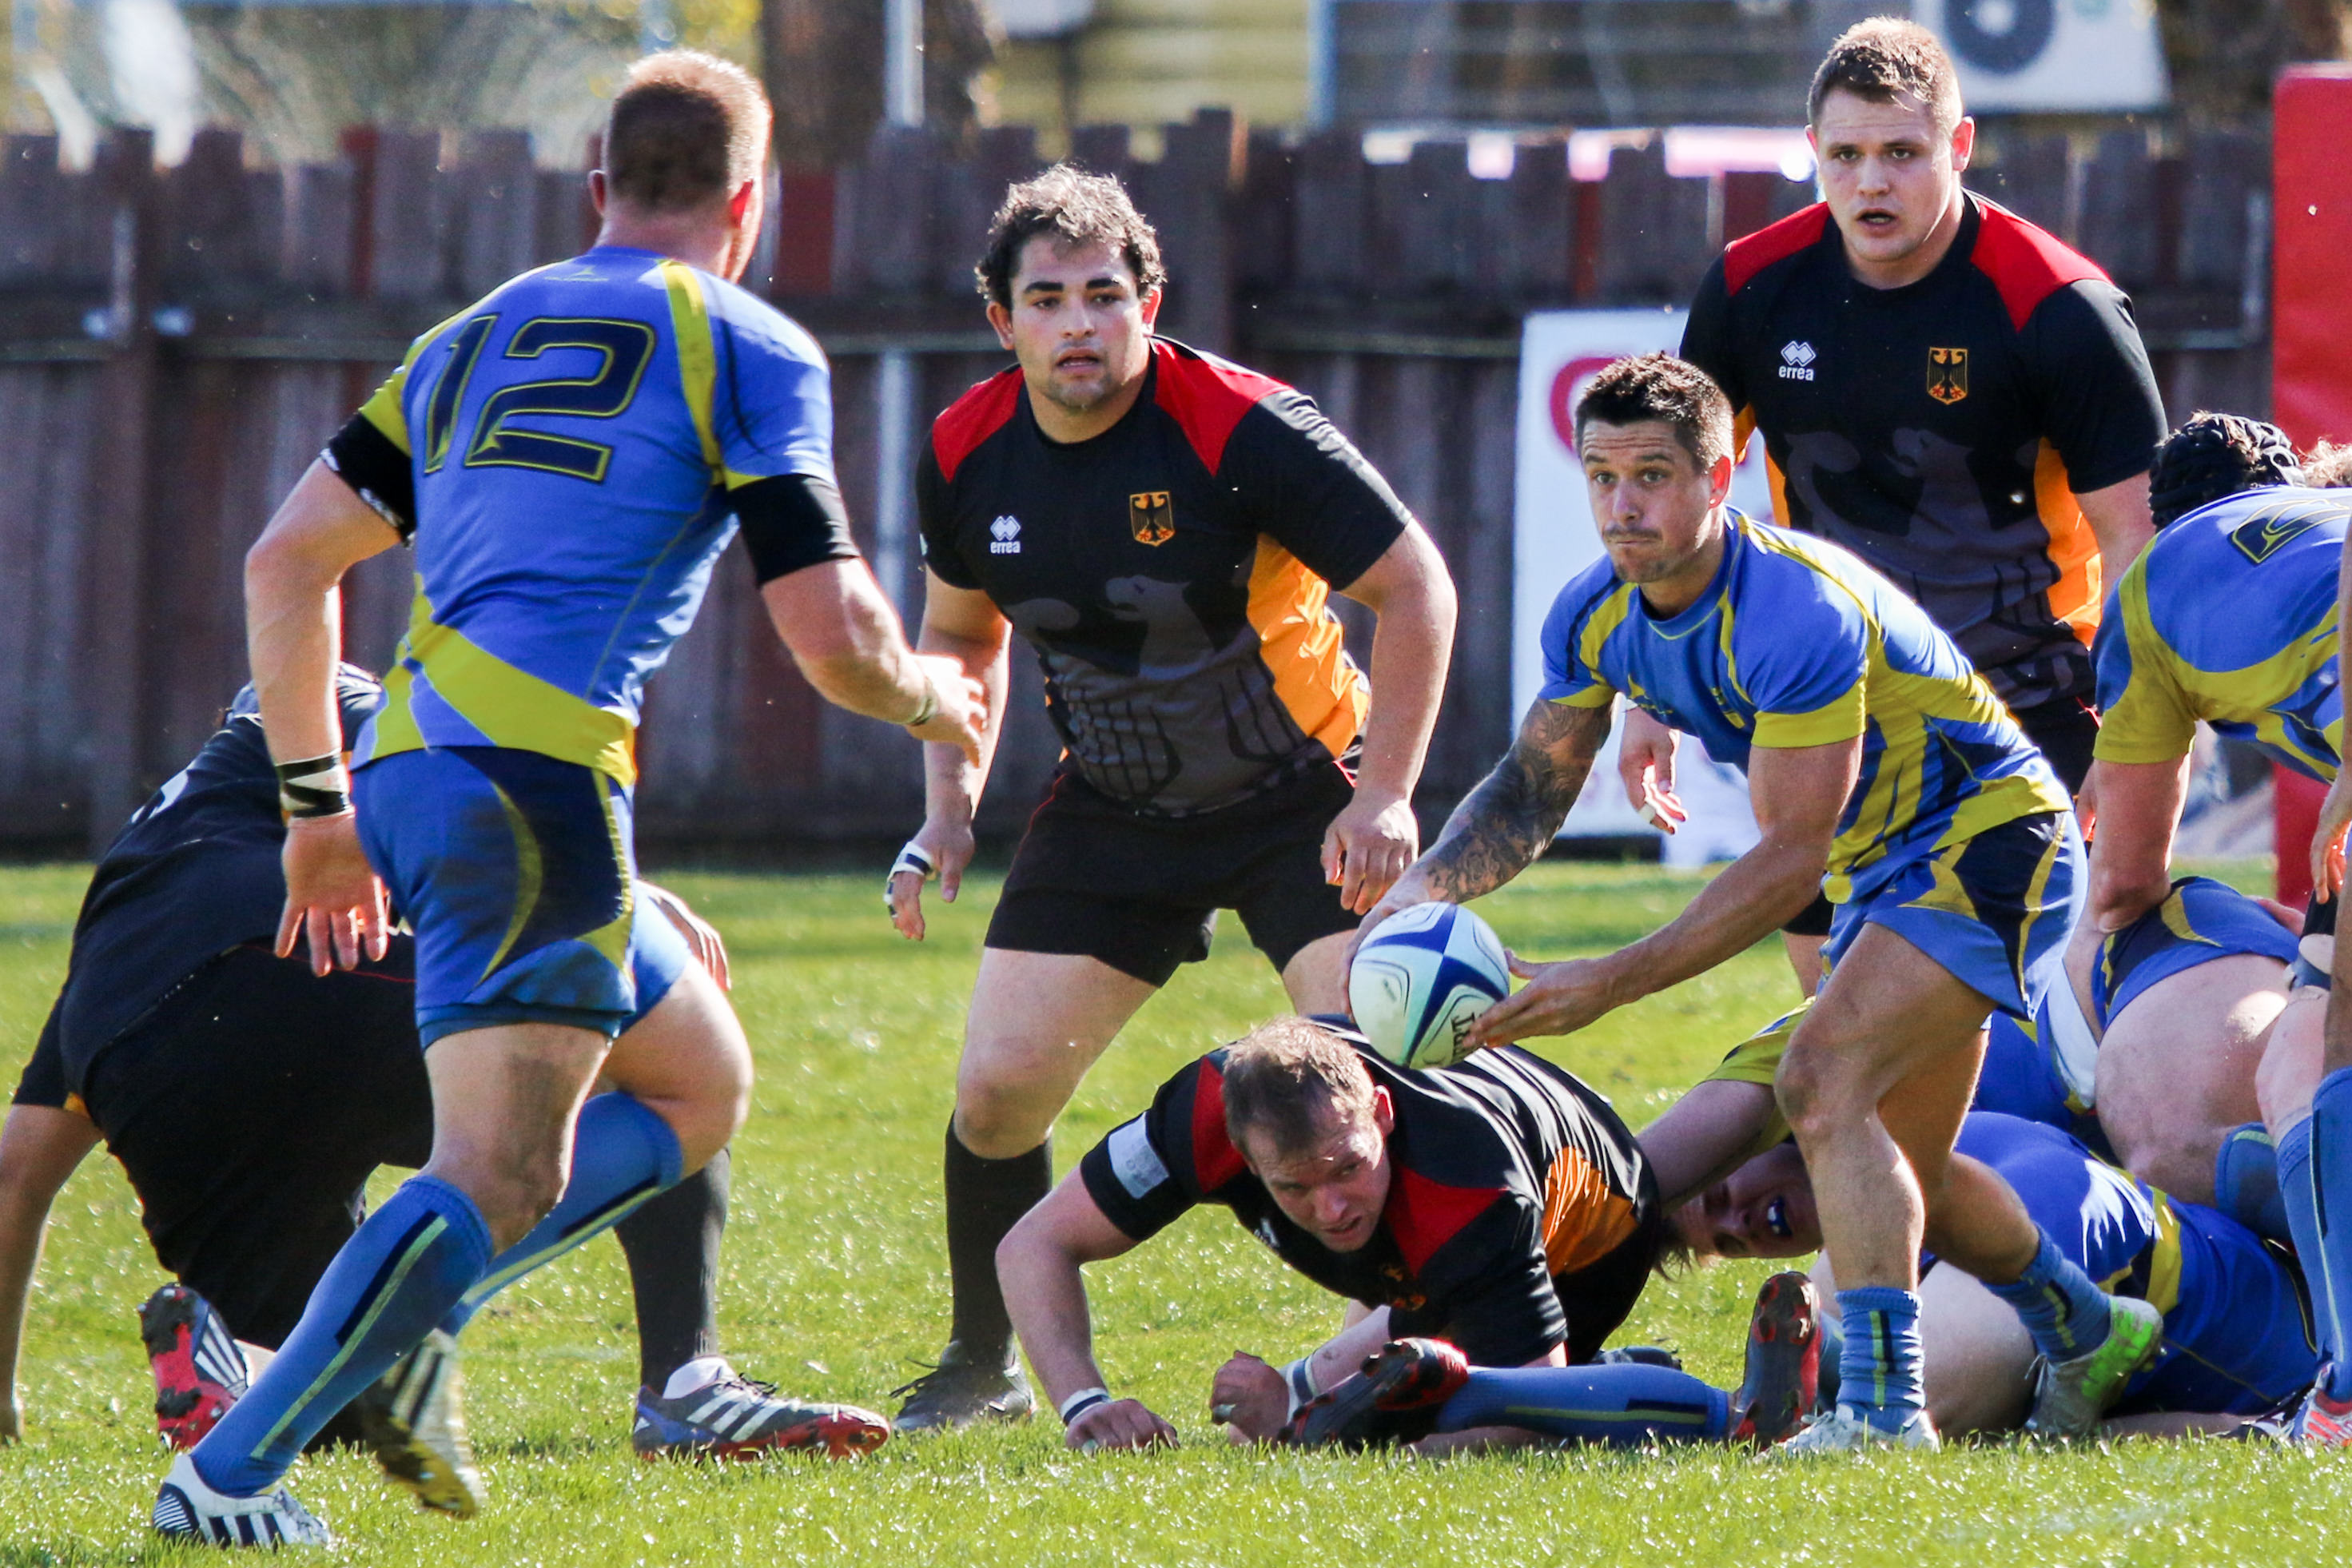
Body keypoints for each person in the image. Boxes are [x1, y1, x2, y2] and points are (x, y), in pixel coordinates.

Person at [154, 51, 985, 1547]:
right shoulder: (744, 338)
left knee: (697, 1077)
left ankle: (366, 1333)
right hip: (528, 789)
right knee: (500, 1170)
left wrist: (317, 813)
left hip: (408, 762)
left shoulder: (467, 334)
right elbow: (832, 637)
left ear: (598, 188)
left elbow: (285, 560)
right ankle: (234, 1465)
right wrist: (938, 696)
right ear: (750, 203)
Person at [1355, 352, 2141, 1454]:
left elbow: (1789, 859)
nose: (1621, 507)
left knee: (1820, 1080)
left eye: (1651, 477)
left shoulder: (1793, 613)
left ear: (1717, 476)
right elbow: (1532, 787)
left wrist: (1608, 981)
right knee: (1901, 1162)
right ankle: (2092, 1328)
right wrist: (1419, 892)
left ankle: (1882, 1413)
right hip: (1886, 868)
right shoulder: (1594, 612)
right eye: (1601, 477)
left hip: (1991, 841)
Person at [882, 166, 1457, 1430]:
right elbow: (960, 638)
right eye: (1047, 300)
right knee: (995, 1092)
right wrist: (948, 808)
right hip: (1116, 801)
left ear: (1148, 303)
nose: (1077, 324)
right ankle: (982, 1368)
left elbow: (1415, 585)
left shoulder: (1242, 424)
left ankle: (1433, 1341)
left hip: (1301, 793)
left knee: (1385, 1074)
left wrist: (1387, 794)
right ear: (1003, 322)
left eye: (1103, 294)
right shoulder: (964, 450)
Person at [0, 671, 868, 1472]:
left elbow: (15, 1177)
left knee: (326, 1408)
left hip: (139, 1059)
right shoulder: (316, 708)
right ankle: (687, 1385)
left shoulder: (143, 874)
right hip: (283, 971)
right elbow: (448, 776)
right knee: (647, 1045)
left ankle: (241, 1364)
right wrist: (625, 897)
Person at [1639, 17, 2164, 987]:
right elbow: (1674, 490)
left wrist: (2136, 736)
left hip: (2029, 709)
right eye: (1845, 156)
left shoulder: (2059, 306)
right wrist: (1654, 688)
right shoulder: (1753, 288)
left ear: (1959, 146)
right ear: (1813, 153)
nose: (1871, 183)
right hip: (1834, 709)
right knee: (1833, 1023)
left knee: (2041, 1025)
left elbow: (2138, 541)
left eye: (1902, 154)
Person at [993, 1015, 1665, 1454]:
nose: (1333, 1208)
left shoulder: (1469, 1192)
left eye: (1348, 1167)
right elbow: (1031, 1245)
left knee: (1469, 1419)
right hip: (1440, 1236)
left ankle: (1617, 1381)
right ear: (1241, 1154)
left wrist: (1315, 1441)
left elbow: (1526, 1411)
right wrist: (1086, 1404)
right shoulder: (1204, 1115)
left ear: (1381, 1113)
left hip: (1597, 1234)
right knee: (1309, 1414)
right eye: (1293, 1186)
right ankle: (1309, 1393)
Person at [2089, 418, 2352, 1444]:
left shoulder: (2152, 589)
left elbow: (2123, 884)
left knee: (2302, 1063)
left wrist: (2257, 935)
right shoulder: (2326, 518)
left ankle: (2339, 1400)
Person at [1673, 1112, 2318, 1439]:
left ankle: (1669, 1403)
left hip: (2079, 1213)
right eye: (1728, 1243)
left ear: (1753, 1143)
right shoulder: (1848, 1230)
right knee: (1823, 1392)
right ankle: (1661, 1389)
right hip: (2073, 1203)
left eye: (1722, 1195)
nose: (1742, 1226)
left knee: (1899, 1418)